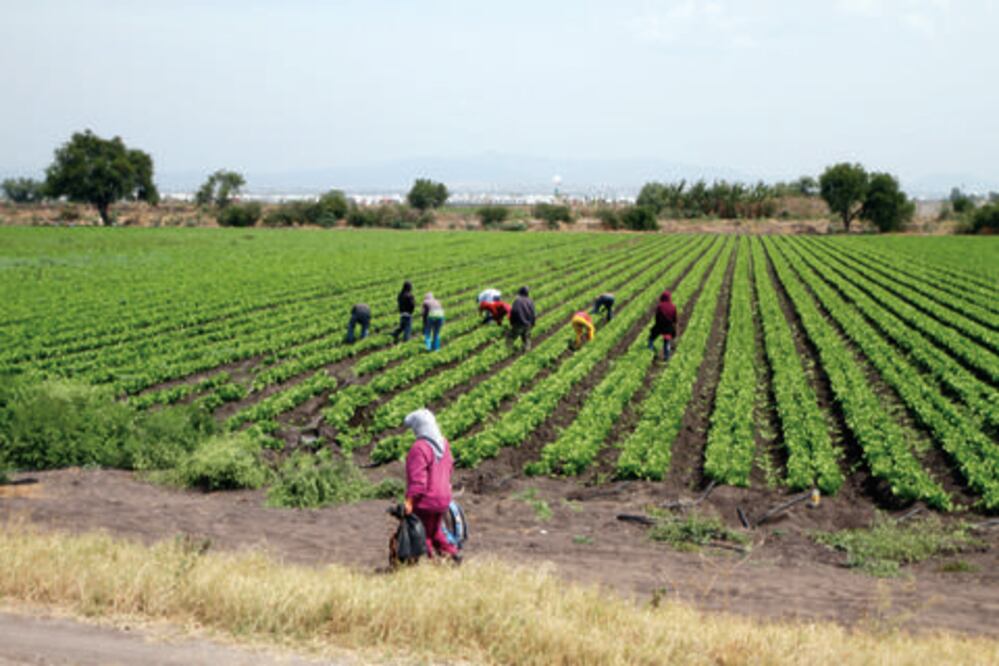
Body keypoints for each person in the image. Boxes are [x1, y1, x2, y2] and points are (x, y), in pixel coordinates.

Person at [403, 408, 460, 563]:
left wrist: (409, 501)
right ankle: (453, 556)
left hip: (425, 501)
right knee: (435, 531)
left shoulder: (419, 448)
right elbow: (449, 469)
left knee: (424, 535)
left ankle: (429, 565)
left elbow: (418, 481)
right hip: (443, 499)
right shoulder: (444, 444)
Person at [647, 289, 677, 360]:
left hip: (660, 326)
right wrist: (673, 327)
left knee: (651, 338)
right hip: (669, 327)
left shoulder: (660, 306)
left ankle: (650, 351)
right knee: (667, 341)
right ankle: (667, 356)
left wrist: (656, 326)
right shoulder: (673, 306)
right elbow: (675, 319)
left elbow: (657, 317)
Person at [509, 286, 536, 351]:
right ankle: (527, 353)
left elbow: (514, 311)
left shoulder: (517, 301)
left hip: (518, 323)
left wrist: (512, 322)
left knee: (510, 338)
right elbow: (533, 313)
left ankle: (508, 350)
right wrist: (532, 323)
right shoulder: (530, 301)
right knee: (527, 339)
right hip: (528, 324)